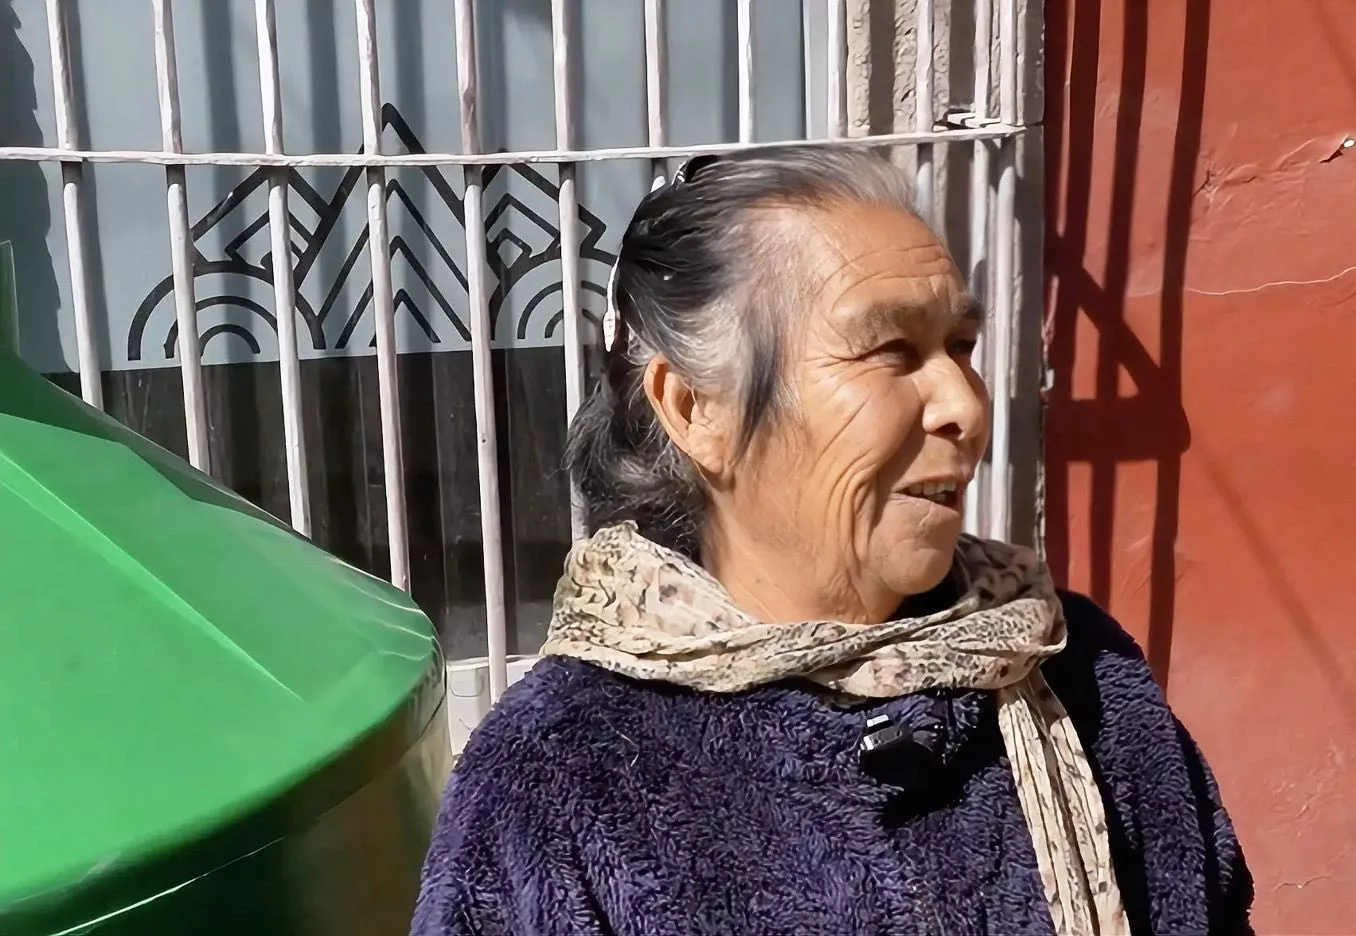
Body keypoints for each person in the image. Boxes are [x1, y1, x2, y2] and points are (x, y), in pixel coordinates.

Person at [410, 147, 1253, 936]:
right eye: (890, 351)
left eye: (961, 346)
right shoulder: (561, 775)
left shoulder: (1078, 673)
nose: (965, 407)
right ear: (698, 410)